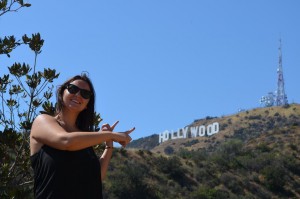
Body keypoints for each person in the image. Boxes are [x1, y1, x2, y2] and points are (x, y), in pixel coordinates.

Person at [30, 74, 135, 199]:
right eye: (73, 89)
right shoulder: (42, 121)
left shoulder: (83, 139)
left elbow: (96, 177)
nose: (78, 95)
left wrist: (108, 145)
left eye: (85, 94)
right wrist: (109, 134)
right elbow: (65, 141)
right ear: (62, 92)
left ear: (87, 105)